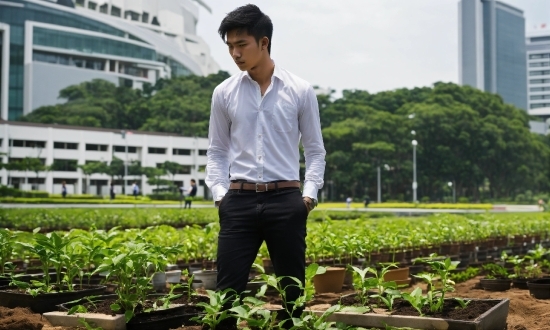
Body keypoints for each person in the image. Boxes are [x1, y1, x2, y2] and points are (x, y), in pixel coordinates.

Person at [206, 4, 326, 324]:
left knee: (292, 294)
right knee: (227, 294)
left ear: (264, 43)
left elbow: (315, 151)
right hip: (238, 201)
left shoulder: (300, 90)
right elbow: (217, 150)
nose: (235, 53)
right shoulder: (224, 93)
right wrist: (221, 196)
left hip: (286, 201)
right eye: (230, 46)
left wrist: (308, 197)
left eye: (241, 45)